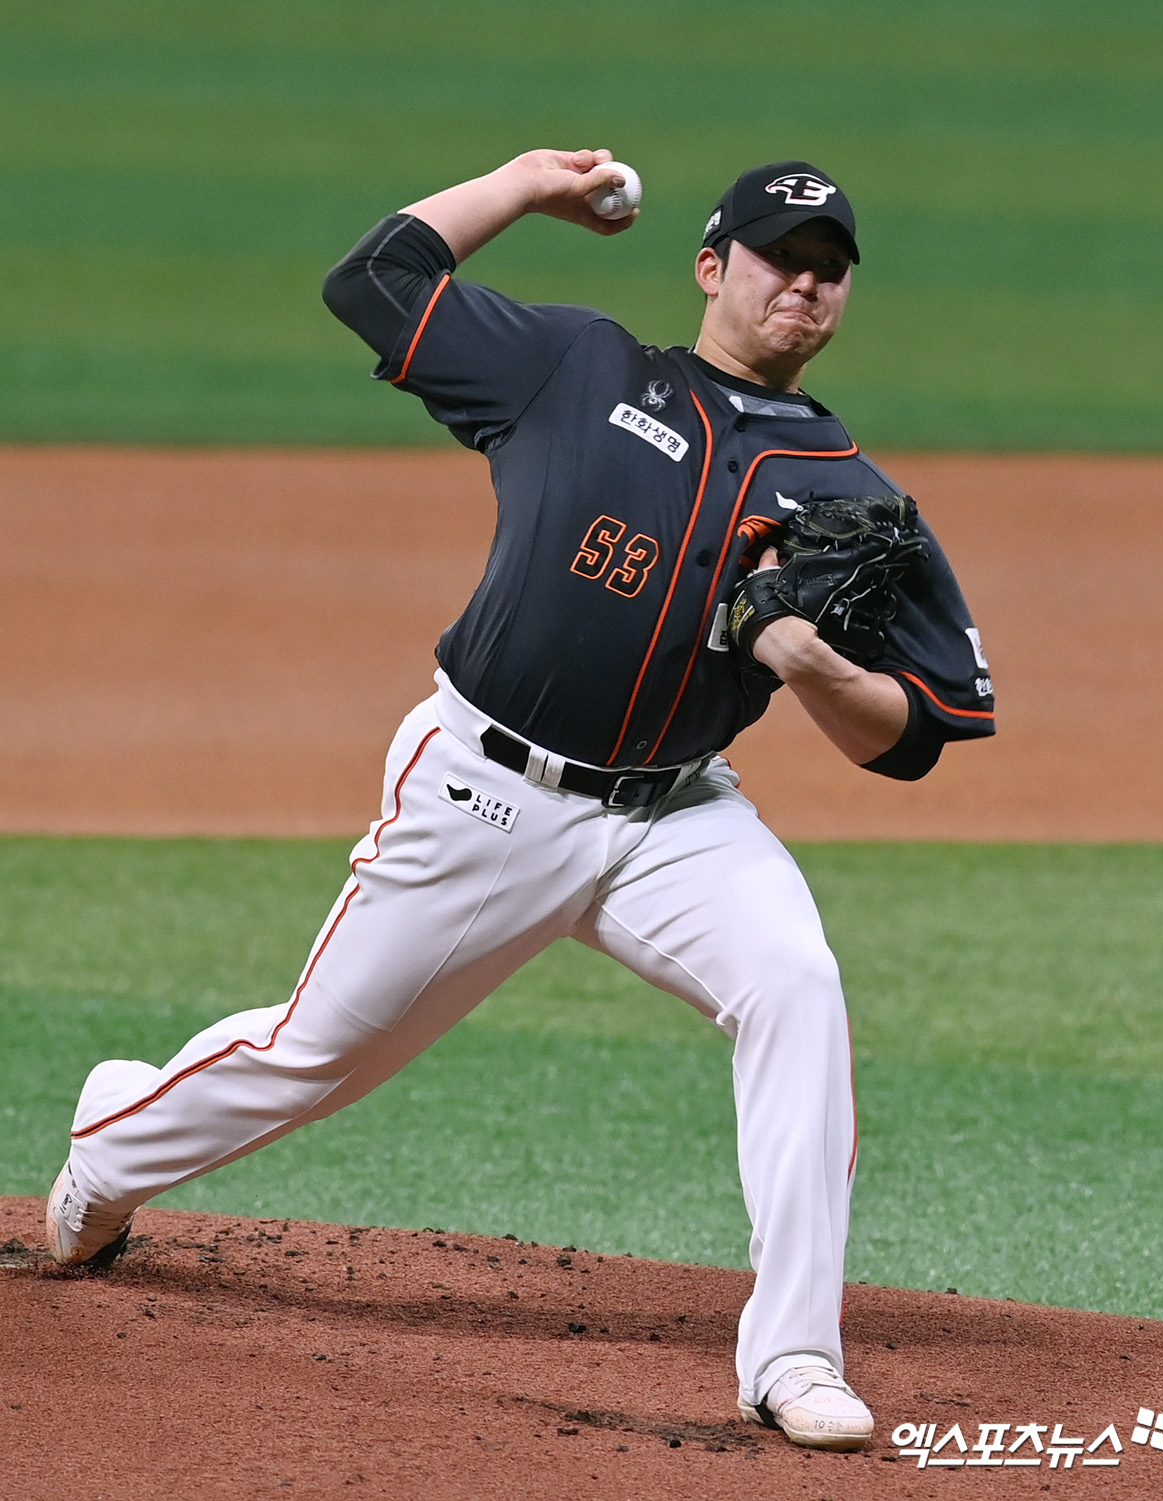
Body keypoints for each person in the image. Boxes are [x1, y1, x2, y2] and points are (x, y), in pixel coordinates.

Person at [47, 149, 994, 1452]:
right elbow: (373, 280)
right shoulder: (580, 369)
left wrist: (816, 667)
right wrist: (527, 182)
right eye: (782, 259)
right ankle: (110, 1147)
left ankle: (792, 1356)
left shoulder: (848, 488)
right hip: (488, 794)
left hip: (679, 817)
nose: (806, 287)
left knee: (796, 984)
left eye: (831, 271)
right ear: (714, 266)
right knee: (314, 1057)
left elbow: (919, 736)